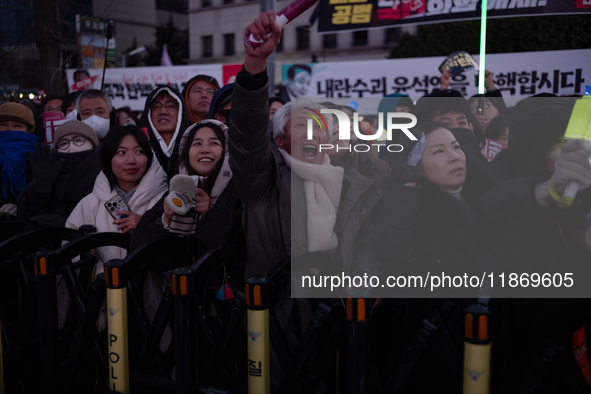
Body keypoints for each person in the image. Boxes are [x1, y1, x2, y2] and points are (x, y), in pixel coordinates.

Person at [371, 122, 500, 392]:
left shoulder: (489, 199)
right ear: (416, 163)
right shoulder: (409, 209)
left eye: (456, 147)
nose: (454, 155)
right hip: (436, 346)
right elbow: (391, 250)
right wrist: (407, 183)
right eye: (438, 151)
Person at [130, 119, 245, 359]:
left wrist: (209, 214)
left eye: (214, 143)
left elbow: (239, 248)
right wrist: (167, 221)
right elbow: (144, 249)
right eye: (197, 144)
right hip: (180, 310)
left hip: (228, 310)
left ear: (226, 153)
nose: (205, 149)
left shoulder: (239, 193)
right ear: (185, 153)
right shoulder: (173, 194)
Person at [17, 120, 101, 226]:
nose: (71, 146)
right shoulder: (50, 171)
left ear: (93, 144)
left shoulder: (105, 172)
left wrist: (70, 224)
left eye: (79, 140)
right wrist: (39, 187)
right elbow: (25, 219)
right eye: (64, 143)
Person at [0, 103, 39, 218]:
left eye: (17, 125)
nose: (10, 130)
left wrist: (23, 208)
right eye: (3, 124)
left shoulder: (39, 157)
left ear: (28, 129)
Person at [141, 86, 190, 179]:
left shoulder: (193, 148)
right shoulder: (141, 150)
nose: (163, 111)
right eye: (156, 106)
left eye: (170, 106)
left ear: (181, 112)